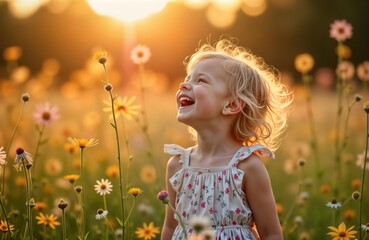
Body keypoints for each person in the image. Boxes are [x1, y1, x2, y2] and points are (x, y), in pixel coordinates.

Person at [161, 37, 292, 240]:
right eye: (188, 78)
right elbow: (170, 227)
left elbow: (271, 233)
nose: (184, 85)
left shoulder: (246, 167)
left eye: (200, 80)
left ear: (232, 105)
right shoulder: (177, 166)